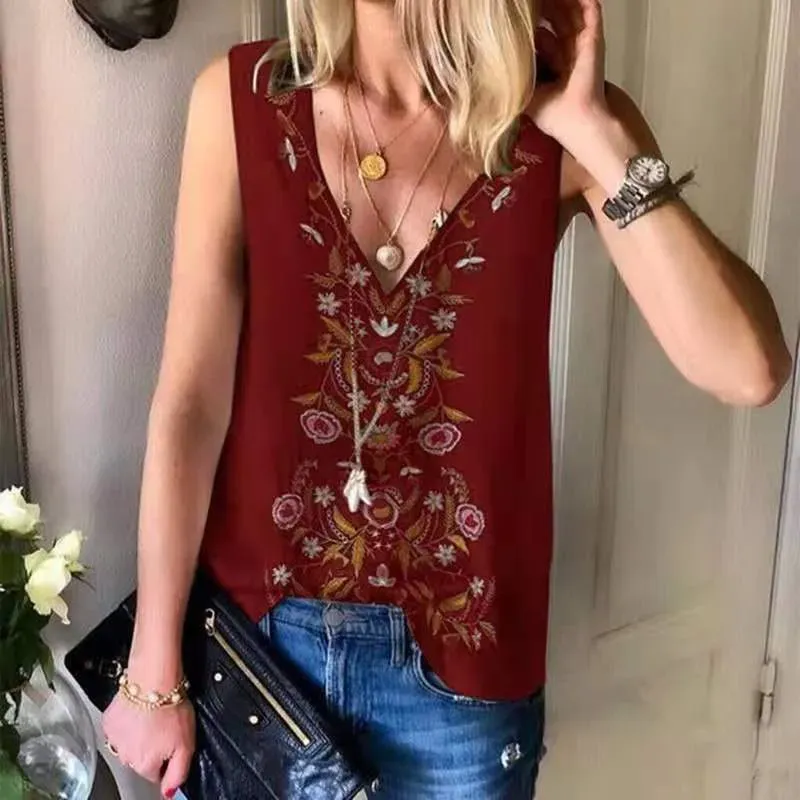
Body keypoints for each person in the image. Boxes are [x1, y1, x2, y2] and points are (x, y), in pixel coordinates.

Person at [101, 1, 792, 798]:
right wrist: (152, 669)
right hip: (260, 653)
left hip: (463, 688)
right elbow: (191, 404)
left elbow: (748, 369)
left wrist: (601, 137)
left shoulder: (556, 125)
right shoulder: (240, 103)